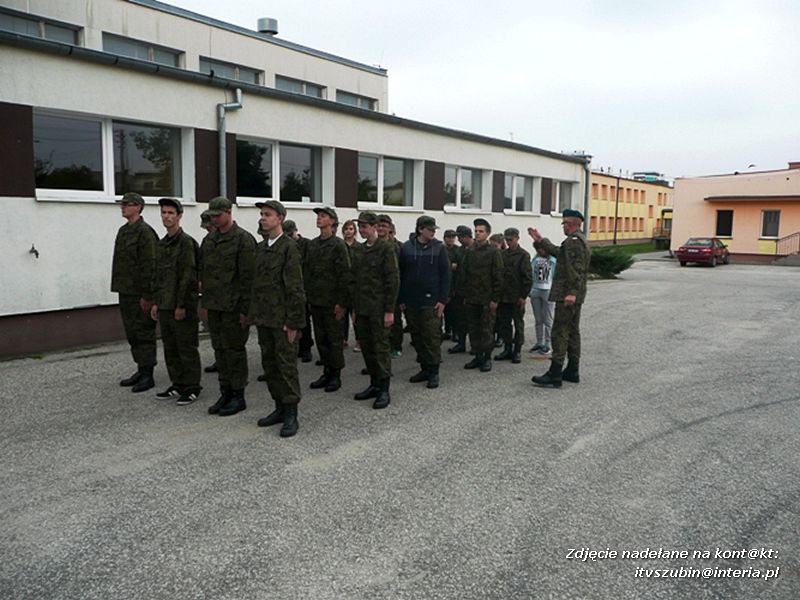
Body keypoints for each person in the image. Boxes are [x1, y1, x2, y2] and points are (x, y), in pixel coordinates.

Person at [250, 200, 306, 438]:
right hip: (265, 319)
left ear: (280, 218)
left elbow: (295, 288)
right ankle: (279, 408)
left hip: (283, 321)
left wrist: (293, 322)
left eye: (268, 214)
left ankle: (291, 413)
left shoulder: (289, 247)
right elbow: (257, 285)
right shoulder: (261, 248)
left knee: (286, 367)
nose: (263, 218)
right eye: (262, 214)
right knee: (270, 366)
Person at [200, 196, 256, 415]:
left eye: (217, 215)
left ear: (228, 212)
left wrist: (245, 310)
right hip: (215, 306)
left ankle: (238, 395)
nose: (214, 219)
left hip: (234, 308)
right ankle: (225, 392)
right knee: (220, 351)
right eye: (211, 216)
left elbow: (248, 279)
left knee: (234, 351)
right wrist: (205, 304)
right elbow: (205, 273)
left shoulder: (243, 240)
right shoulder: (209, 240)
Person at [529, 209, 591, 387]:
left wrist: (571, 292)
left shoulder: (573, 242)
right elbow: (560, 253)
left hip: (568, 295)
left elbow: (576, 269)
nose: (563, 226)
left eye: (564, 223)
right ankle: (572, 370)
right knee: (572, 331)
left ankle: (555, 373)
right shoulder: (578, 240)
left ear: (570, 224)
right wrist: (541, 240)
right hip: (574, 295)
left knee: (560, 332)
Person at [150, 198, 202, 405]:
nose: (166, 216)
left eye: (171, 213)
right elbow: (159, 276)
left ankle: (192, 387)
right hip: (165, 304)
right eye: (164, 213)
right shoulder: (162, 244)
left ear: (179, 216)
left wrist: (181, 306)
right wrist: (156, 302)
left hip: (181, 306)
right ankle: (178, 384)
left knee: (186, 347)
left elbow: (188, 278)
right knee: (170, 347)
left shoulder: (186, 243)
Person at [350, 211, 399, 409]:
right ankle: (374, 384)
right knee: (367, 348)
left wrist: (389, 310)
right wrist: (355, 308)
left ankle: (384, 389)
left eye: (364, 226)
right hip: (362, 308)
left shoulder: (386, 248)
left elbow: (392, 280)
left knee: (381, 349)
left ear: (374, 227)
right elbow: (354, 280)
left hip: (379, 308)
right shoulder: (359, 250)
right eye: (359, 227)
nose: (361, 230)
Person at [111, 191, 159, 393]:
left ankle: (148, 374)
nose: (123, 207)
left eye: (127, 204)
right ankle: (140, 368)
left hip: (140, 293)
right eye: (122, 204)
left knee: (143, 332)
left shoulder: (145, 233)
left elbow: (151, 266)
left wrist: (148, 296)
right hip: (126, 290)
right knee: (132, 331)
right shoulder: (124, 231)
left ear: (138, 207)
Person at [398, 215, 450, 389]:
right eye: (430, 229)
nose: (433, 232)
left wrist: (442, 300)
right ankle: (424, 368)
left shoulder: (439, 248)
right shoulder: (406, 247)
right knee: (417, 336)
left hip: (431, 301)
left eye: (434, 229)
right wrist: (401, 299)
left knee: (432, 337)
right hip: (411, 301)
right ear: (420, 229)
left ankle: (434, 372)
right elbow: (400, 274)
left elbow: (446, 275)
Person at [304, 206, 351, 392]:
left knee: (334, 340)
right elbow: (307, 272)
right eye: (318, 216)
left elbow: (345, 275)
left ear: (332, 221)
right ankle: (326, 371)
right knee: (321, 338)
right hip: (316, 300)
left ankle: (336, 375)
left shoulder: (338, 245)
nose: (319, 219)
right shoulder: (313, 245)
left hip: (333, 302)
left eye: (323, 216)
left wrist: (342, 303)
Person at [460, 218, 503, 372]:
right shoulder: (470, 251)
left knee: (486, 330)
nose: (477, 234)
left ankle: (486, 358)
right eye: (476, 231)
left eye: (481, 231)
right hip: (472, 297)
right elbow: (463, 273)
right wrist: (464, 294)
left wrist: (495, 299)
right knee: (473, 329)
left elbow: (498, 276)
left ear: (487, 234)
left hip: (487, 298)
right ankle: (477, 356)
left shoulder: (494, 252)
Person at [495, 228, 533, 364]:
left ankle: (517, 350)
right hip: (504, 296)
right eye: (507, 240)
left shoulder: (523, 255)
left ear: (517, 238)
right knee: (504, 324)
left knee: (518, 324)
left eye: (511, 239)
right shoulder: (502, 254)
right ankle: (507, 348)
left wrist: (523, 296)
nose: (508, 242)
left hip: (517, 296)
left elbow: (528, 278)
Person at [284, 220, 315, 364]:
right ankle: (296, 347)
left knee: (305, 321)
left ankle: (306, 348)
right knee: (293, 320)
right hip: (292, 287)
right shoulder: (286, 245)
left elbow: (310, 266)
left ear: (296, 230)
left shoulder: (307, 244)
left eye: (291, 234)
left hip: (305, 286)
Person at [377, 214, 404, 358]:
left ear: (390, 229)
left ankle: (396, 346)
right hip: (377, 291)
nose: (381, 228)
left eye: (384, 226)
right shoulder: (373, 245)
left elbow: (402, 270)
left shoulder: (396, 247)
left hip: (393, 289)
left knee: (395, 320)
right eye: (379, 225)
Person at [447, 225, 473, 354]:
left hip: (474, 290)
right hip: (460, 289)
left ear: (467, 237)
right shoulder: (459, 250)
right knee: (460, 318)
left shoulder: (476, 249)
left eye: (461, 237)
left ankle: (476, 346)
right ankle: (461, 343)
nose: (458, 240)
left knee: (473, 320)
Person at [529, 241, 557, 354]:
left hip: (548, 290)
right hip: (536, 290)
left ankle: (548, 343)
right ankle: (539, 342)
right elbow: (531, 273)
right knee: (538, 319)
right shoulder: (535, 259)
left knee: (548, 319)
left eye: (541, 248)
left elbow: (556, 275)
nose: (540, 251)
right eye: (537, 249)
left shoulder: (553, 260)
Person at [199, 210, 218, 369]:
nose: (208, 230)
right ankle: (220, 360)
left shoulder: (237, 239)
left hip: (228, 298)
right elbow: (201, 264)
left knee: (230, 338)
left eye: (209, 227)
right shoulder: (207, 241)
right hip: (210, 294)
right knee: (215, 332)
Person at [341, 219, 361, 353]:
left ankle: (359, 340)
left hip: (355, 285)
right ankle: (343, 339)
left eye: (351, 229)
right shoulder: (340, 245)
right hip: (343, 285)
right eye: (346, 229)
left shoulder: (359, 247)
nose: (348, 231)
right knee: (342, 316)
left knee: (356, 316)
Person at [442, 229, 458, 341]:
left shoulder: (457, 250)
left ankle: (455, 331)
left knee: (454, 311)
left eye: (453, 237)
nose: (451, 239)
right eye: (449, 237)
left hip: (455, 282)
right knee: (446, 309)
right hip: (445, 282)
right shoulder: (441, 249)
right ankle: (447, 330)